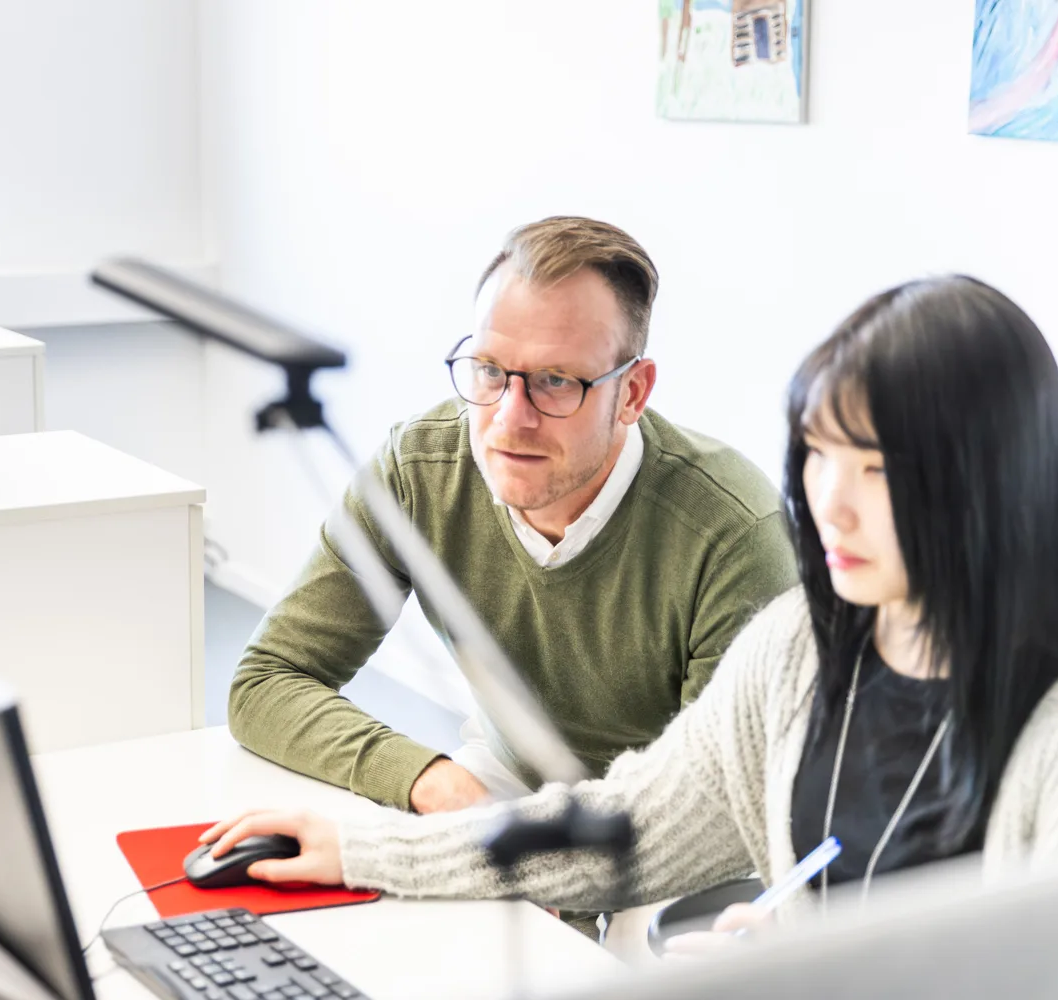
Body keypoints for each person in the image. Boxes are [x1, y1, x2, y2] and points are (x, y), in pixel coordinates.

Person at [203, 276, 1058, 930]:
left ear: (995, 483)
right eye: (819, 454)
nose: (832, 503)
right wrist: (361, 850)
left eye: (879, 469)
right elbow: (631, 828)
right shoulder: (803, 648)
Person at [227, 216, 798, 816]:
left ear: (632, 393)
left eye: (555, 381)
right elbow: (267, 680)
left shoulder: (733, 533)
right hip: (508, 777)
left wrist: (534, 884)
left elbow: (709, 808)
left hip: (677, 828)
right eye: (491, 370)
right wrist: (430, 780)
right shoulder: (420, 470)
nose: (509, 418)